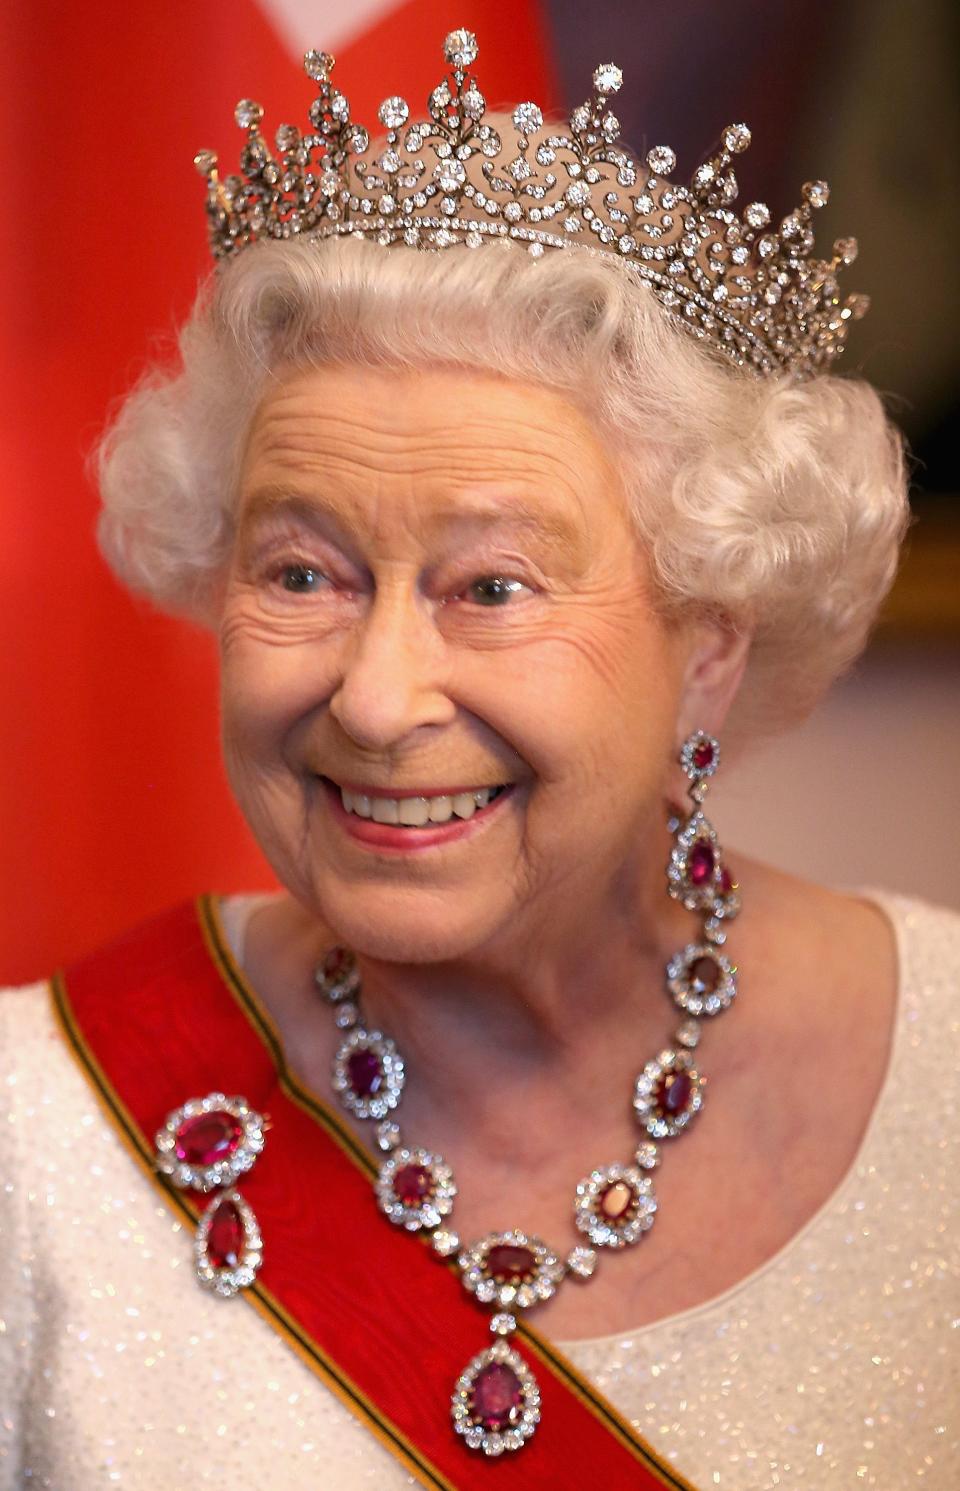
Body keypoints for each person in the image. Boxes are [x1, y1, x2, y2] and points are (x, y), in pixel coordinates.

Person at [2, 27, 956, 1491]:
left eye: (493, 588)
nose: (377, 701)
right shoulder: (36, 1138)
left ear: (706, 637)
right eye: (303, 575)